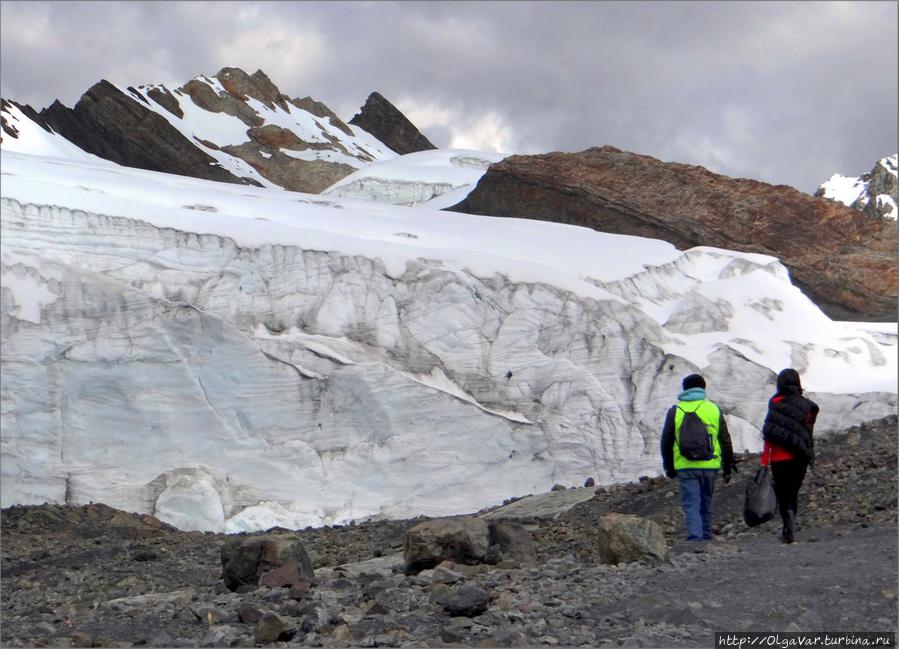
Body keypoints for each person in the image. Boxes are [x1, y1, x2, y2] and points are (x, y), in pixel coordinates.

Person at [661, 373, 736, 541]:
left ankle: (695, 537)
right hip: (710, 465)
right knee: (706, 502)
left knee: (691, 503)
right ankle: (706, 535)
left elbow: (666, 441)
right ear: (703, 388)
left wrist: (669, 466)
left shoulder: (675, 411)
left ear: (684, 389)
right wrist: (728, 465)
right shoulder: (713, 409)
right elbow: (724, 438)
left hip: (685, 465)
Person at [760, 368, 819, 544]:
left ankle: (788, 529)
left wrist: (765, 460)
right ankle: (790, 528)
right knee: (793, 492)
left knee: (783, 494)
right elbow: (806, 432)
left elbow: (769, 432)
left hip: (779, 458)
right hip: (800, 458)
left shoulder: (775, 403)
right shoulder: (806, 405)